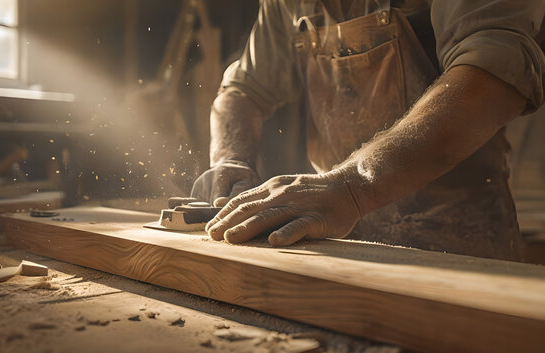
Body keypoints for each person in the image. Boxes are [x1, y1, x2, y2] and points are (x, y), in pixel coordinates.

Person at [190, 0, 545, 261]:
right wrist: (230, 158)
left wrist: (351, 186)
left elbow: (492, 74)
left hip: (461, 249)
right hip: (340, 250)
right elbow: (243, 89)